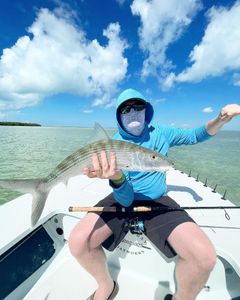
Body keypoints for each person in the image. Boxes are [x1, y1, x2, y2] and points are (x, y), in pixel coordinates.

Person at [68, 88, 240, 300]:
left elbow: (196, 135)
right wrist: (117, 177)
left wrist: (220, 120)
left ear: (146, 110)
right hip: (122, 194)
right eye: (125, 109)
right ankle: (106, 285)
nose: (132, 112)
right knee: (77, 241)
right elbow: (126, 199)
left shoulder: (161, 133)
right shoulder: (113, 146)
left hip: (157, 200)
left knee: (204, 257)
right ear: (118, 115)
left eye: (138, 107)